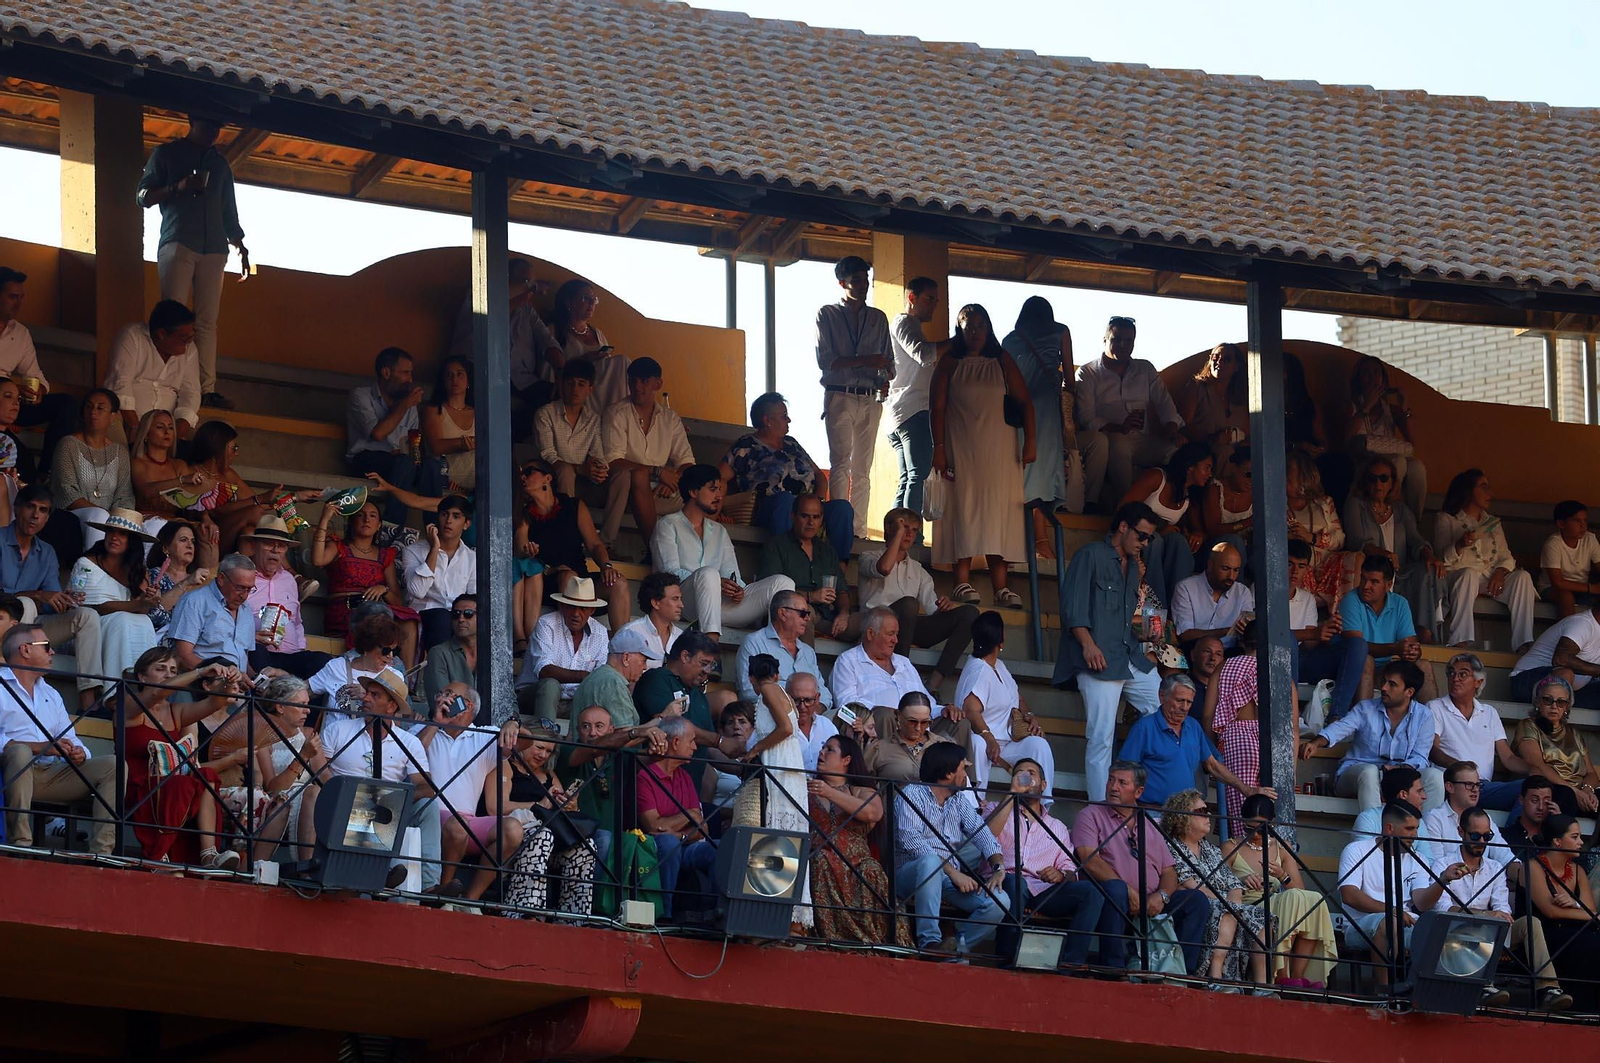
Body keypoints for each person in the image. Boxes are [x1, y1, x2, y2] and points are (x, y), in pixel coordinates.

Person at [137, 114, 248, 409]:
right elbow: (143, 196)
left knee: (207, 323)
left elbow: (229, 210)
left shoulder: (220, 164)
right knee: (172, 318)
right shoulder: (167, 154)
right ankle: (166, 382)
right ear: (192, 120)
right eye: (209, 123)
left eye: (217, 125)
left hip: (214, 247)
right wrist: (180, 186)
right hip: (178, 241)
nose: (214, 130)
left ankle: (205, 388)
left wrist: (239, 244)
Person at [1056, 502, 1163, 803]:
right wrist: (1088, 644)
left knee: (1166, 711)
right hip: (1098, 658)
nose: (1144, 543)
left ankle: (1148, 794)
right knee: (1101, 737)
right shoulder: (1090, 554)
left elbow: (1124, 615)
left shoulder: (1133, 566)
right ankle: (1100, 809)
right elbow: (1072, 608)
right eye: (1142, 536)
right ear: (1124, 527)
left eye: (1149, 539)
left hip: (1129, 655)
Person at [929, 302, 1034, 608]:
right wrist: (939, 449)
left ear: (989, 328)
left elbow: (1025, 401)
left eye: (980, 326)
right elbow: (936, 408)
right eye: (968, 326)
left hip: (1000, 450)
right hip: (960, 447)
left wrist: (1031, 442)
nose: (975, 332)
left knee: (998, 511)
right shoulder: (949, 362)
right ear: (959, 329)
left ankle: (1001, 587)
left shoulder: (1001, 360)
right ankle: (961, 581)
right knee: (965, 507)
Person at [1428, 805, 1574, 1012]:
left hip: (1492, 931)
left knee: (1530, 923)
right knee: (1483, 923)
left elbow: (1502, 907)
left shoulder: (1495, 867)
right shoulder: (1443, 864)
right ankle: (1483, 986)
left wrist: (1496, 916)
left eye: (1487, 837)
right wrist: (1486, 916)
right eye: (1476, 835)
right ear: (1461, 832)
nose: (1481, 842)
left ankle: (1548, 989)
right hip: (1456, 932)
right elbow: (1443, 909)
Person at [319, 668, 447, 894]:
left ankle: (430, 887)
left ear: (392, 707)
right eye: (367, 692)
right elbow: (319, 771)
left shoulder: (409, 741)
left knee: (429, 806)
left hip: (389, 808)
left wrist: (392, 797)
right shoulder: (338, 730)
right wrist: (357, 794)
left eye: (375, 695)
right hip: (343, 801)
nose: (365, 698)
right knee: (370, 802)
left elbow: (426, 787)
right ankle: (378, 875)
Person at [1072, 761, 1209, 973]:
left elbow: (1169, 872)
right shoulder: (1091, 814)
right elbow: (1089, 859)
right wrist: (1129, 891)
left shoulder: (1149, 824)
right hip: (1115, 898)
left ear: (1139, 791)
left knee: (1196, 900)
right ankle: (1114, 969)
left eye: (1121, 782)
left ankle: (1182, 972)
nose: (1113, 787)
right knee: (1115, 889)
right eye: (1111, 780)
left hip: (1151, 902)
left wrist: (1162, 896)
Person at [0, 623, 119, 854]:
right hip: (10, 772)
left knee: (113, 765)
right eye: (46, 646)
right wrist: (40, 747)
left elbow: (70, 738)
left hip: (49, 775)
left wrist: (78, 752)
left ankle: (102, 854)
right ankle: (21, 845)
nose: (52, 652)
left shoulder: (51, 693)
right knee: (21, 753)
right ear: (25, 650)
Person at [118, 649, 242, 868]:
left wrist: (228, 681)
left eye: (173, 670)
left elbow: (215, 703)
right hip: (137, 786)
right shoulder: (129, 704)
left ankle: (208, 854)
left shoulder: (176, 711)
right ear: (142, 677)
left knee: (205, 775)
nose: (169, 675)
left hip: (172, 784)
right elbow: (157, 693)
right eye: (160, 669)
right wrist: (200, 671)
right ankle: (160, 854)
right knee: (181, 783)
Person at [650, 464, 793, 640]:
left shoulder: (719, 531)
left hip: (720, 606)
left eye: (719, 489)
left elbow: (732, 574)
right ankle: (711, 649)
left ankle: (777, 649)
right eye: (712, 489)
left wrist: (737, 589)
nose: (719, 496)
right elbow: (669, 574)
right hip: (683, 603)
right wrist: (715, 582)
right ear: (693, 492)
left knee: (782, 583)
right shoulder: (667, 525)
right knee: (709, 574)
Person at [893, 741, 1009, 954]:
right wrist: (953, 872)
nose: (967, 774)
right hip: (910, 876)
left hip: (947, 880)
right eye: (963, 768)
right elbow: (911, 841)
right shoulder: (912, 793)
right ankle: (929, 942)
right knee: (930, 862)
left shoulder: (958, 800)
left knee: (1000, 901)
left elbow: (982, 833)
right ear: (948, 773)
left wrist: (998, 866)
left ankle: (953, 948)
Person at [987, 758, 1104, 967]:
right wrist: (1012, 793)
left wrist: (1060, 875)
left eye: (1031, 773)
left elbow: (1070, 868)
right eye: (1020, 772)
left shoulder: (1057, 826)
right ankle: (1006, 958)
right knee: (1016, 883)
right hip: (1004, 883)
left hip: (1043, 890)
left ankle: (1071, 964)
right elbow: (986, 838)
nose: (1025, 776)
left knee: (1091, 891)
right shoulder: (997, 808)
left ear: (1043, 784)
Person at [0, 487, 105, 709]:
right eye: (31, 507)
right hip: (3, 623)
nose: (35, 515)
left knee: (86, 616)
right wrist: (37, 595)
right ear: (17, 508)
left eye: (43, 510)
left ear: (47, 518)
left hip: (30, 627)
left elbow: (49, 603)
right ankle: (20, 686)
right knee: (26, 604)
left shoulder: (47, 552)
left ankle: (88, 701)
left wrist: (63, 601)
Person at [1220, 794, 1338, 989]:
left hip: (1277, 903)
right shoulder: (1231, 846)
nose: (1256, 833)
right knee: (1292, 899)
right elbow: (1216, 885)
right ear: (1241, 822)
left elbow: (1300, 891)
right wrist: (1240, 880)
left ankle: (1297, 976)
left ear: (1272, 824)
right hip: (1248, 907)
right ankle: (1281, 973)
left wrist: (1283, 875)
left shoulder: (1282, 848)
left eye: (1262, 828)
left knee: (1314, 899)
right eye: (1250, 827)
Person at [856, 508, 978, 695]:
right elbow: (884, 568)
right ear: (890, 528)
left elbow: (931, 610)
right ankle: (900, 675)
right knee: (909, 604)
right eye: (904, 528)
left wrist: (943, 606)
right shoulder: (869, 557)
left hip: (910, 627)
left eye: (914, 530)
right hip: (878, 627)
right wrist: (897, 536)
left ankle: (934, 683)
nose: (909, 534)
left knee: (970, 614)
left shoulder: (918, 570)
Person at [1159, 789, 1271, 989]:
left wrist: (1234, 900)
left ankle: (1261, 986)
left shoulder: (1211, 849)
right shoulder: (1170, 847)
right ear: (1183, 817)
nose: (1209, 815)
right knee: (1226, 912)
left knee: (1263, 916)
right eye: (1202, 810)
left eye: (1209, 809)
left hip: (1222, 903)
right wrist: (1227, 904)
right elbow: (1189, 883)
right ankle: (1216, 977)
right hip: (1194, 906)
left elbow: (1233, 882)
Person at [1003, 296, 1090, 550]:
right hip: (1046, 408)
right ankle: (1040, 539)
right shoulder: (1060, 331)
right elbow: (1070, 382)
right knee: (1041, 470)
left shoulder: (1010, 338)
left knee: (1022, 468)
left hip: (1017, 409)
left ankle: (1020, 535)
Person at [1299, 659, 1444, 811]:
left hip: (1400, 776)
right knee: (1370, 772)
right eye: (1384, 681)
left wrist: (1399, 770)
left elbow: (1420, 756)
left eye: (1392, 684)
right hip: (1357, 774)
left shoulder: (1424, 715)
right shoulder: (1366, 708)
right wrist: (1316, 743)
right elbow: (1340, 728)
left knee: (1434, 777)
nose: (1384, 687)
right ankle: (1373, 833)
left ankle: (1424, 833)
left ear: (1409, 692)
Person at [816, 255, 892, 540]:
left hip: (871, 397)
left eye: (866, 279)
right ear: (842, 283)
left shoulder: (878, 318)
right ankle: (839, 528)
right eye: (857, 280)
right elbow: (827, 361)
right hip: (840, 395)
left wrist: (883, 378)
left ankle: (858, 531)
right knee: (840, 463)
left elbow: (889, 364)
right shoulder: (827, 314)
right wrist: (866, 360)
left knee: (863, 469)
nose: (864, 285)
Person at [722, 392, 854, 553]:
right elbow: (719, 478)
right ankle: (787, 562)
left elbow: (820, 476)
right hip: (771, 508)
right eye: (784, 416)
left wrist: (817, 501)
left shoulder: (792, 443)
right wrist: (718, 510)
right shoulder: (746, 445)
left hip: (806, 508)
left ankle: (838, 570)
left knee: (842, 508)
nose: (788, 420)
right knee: (785, 500)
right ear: (767, 420)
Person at [808, 733, 907, 944]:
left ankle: (877, 940)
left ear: (846, 760)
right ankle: (830, 938)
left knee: (871, 869)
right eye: (822, 748)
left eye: (829, 749)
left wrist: (830, 793)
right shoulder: (806, 789)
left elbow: (872, 814)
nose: (821, 753)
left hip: (858, 863)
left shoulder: (862, 790)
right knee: (821, 861)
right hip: (819, 857)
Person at [1121, 674, 1275, 810]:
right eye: (1180, 700)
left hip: (1185, 814)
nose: (1184, 708)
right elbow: (1125, 771)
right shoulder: (1144, 728)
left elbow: (1212, 765)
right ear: (1162, 696)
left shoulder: (1193, 726)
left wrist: (1247, 790)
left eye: (1189, 702)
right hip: (1152, 813)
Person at [425, 684, 521, 901]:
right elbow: (412, 752)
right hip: (428, 817)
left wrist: (513, 723)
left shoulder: (484, 735)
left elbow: (526, 742)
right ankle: (442, 892)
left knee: (513, 828)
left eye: (449, 694)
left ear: (466, 705)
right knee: (457, 824)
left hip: (466, 822)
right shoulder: (424, 730)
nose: (441, 697)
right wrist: (435, 723)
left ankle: (470, 898)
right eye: (441, 693)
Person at [495, 721, 601, 918]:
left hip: (551, 843)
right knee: (542, 835)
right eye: (539, 747)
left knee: (587, 846)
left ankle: (574, 917)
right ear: (525, 743)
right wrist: (538, 805)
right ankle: (524, 911)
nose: (543, 755)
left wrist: (570, 806)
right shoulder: (507, 766)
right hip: (514, 836)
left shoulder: (549, 774)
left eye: (549, 751)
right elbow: (496, 806)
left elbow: (558, 807)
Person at [1074, 316, 1183, 508]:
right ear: (1105, 340)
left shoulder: (1145, 369)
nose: (1123, 345)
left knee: (1179, 453)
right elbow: (1086, 417)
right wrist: (1120, 426)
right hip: (1110, 439)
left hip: (1144, 439)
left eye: (1129, 340)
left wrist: (1173, 428)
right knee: (1119, 442)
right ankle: (1126, 507)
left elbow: (1164, 402)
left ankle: (1174, 509)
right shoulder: (1088, 372)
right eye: (1117, 339)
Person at [742, 653, 813, 931]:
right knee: (780, 835)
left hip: (781, 764)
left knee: (778, 835)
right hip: (785, 763)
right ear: (777, 672)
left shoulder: (770, 690)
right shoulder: (778, 689)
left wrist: (756, 749)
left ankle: (783, 914)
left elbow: (784, 729)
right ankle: (781, 912)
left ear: (752, 678)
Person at [516, 458, 628, 632]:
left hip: (580, 578)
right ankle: (571, 643)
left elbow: (595, 545)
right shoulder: (524, 512)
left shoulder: (573, 505)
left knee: (618, 582)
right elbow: (520, 548)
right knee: (568, 577)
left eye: (529, 472)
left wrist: (606, 566)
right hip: (547, 580)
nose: (523, 477)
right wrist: (528, 552)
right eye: (521, 474)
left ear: (548, 478)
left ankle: (623, 647)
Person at [1433, 468, 1536, 653]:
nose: (1490, 493)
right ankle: (1460, 640)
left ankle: (1523, 643)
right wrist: (1460, 543)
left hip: (1490, 580)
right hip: (1459, 578)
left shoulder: (1493, 523)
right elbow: (1442, 559)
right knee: (1469, 574)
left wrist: (1500, 572)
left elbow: (1506, 556)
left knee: (1523, 577)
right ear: (1469, 491)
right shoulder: (1447, 519)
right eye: (1484, 487)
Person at [1343, 456, 1445, 642]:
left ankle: (1425, 634)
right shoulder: (1356, 505)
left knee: (1427, 570)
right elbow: (1355, 541)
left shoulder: (1401, 510)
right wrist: (1383, 554)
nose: (1377, 483)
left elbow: (1415, 540)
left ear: (1392, 483)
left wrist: (1429, 555)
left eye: (1383, 478)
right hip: (1372, 573)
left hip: (1401, 574)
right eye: (1372, 478)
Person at [184, 419, 320, 553]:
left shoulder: (228, 474)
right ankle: (288, 567)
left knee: (248, 533)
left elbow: (261, 503)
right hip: (203, 540)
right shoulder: (191, 472)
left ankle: (262, 571)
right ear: (217, 448)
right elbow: (216, 510)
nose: (236, 453)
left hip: (228, 537)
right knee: (254, 513)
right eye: (234, 448)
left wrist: (297, 497)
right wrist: (260, 499)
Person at [561, 704, 668, 871]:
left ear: (611, 730)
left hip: (615, 837)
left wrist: (657, 749)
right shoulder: (568, 751)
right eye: (585, 726)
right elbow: (595, 749)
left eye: (599, 726)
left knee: (653, 845)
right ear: (577, 729)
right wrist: (634, 733)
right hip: (574, 835)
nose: (592, 733)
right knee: (604, 839)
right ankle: (598, 897)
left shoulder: (618, 756)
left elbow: (648, 759)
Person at [311, 498, 418, 664]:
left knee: (409, 622)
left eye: (372, 515)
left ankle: (406, 681)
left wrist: (384, 589)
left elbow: (397, 600)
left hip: (378, 611)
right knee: (374, 622)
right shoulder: (339, 546)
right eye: (360, 515)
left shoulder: (385, 555)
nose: (366, 519)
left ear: (379, 525)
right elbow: (318, 560)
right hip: (346, 610)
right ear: (351, 521)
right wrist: (325, 519)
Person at [957, 610, 1054, 793]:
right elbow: (971, 711)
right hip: (984, 744)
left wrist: (1030, 716)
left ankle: (1042, 807)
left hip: (1008, 743)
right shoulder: (979, 669)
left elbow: (1018, 698)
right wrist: (989, 737)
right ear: (1000, 641)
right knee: (978, 743)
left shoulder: (999, 666)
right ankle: (978, 805)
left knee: (1038, 744)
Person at [600, 357, 693, 543]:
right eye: (632, 380)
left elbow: (687, 462)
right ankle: (654, 549)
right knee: (637, 476)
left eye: (644, 381)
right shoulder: (616, 412)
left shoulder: (670, 418)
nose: (637, 386)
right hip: (625, 491)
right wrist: (658, 472)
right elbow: (613, 462)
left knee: (702, 495)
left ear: (658, 384)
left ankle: (691, 557)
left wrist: (671, 481)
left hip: (661, 492)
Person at [1336, 800, 1430, 984]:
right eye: (1409, 829)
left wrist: (1443, 880)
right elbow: (1349, 894)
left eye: (1416, 829)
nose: (1415, 835)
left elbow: (1421, 903)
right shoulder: (1357, 850)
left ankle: (1428, 996)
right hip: (1359, 925)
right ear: (1389, 828)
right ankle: (1384, 993)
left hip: (1407, 923)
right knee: (1390, 923)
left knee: (1443, 932)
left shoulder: (1419, 858)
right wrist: (1393, 910)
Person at [1210, 623, 1294, 825]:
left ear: (1242, 642)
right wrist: (1291, 772)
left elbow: (1207, 715)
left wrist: (1212, 755)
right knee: (1274, 811)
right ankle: (1271, 854)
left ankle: (1243, 852)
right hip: (1274, 740)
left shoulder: (1225, 666)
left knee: (1242, 809)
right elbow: (1294, 728)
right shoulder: (1280, 674)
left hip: (1237, 739)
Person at [637, 716, 718, 918]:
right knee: (666, 842)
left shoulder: (685, 777)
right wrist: (688, 815)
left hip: (686, 845)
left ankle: (720, 914)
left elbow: (703, 829)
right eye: (691, 741)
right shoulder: (645, 777)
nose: (694, 747)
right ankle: (665, 915)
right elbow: (654, 827)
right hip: (653, 847)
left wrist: (680, 834)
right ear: (675, 743)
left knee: (721, 847)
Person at [886, 276, 952, 521]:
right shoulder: (906, 322)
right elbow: (923, 354)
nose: (933, 305)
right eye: (928, 299)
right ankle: (910, 538)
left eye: (935, 300)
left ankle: (897, 534)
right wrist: (958, 341)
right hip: (914, 411)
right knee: (918, 475)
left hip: (900, 413)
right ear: (911, 298)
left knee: (908, 478)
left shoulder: (904, 325)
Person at [1428, 653, 1531, 810]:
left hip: (1483, 788)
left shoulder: (1489, 713)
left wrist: (1534, 770)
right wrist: (1461, 767)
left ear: (1478, 682)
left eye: (1463, 674)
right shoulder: (1435, 707)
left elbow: (1508, 757)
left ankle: (1518, 834)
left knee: (1532, 788)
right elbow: (1432, 750)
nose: (1455, 679)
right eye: (1451, 673)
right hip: (1452, 785)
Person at [68, 509, 159, 680]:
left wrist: (148, 599)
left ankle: (144, 684)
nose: (114, 537)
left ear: (132, 541)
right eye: (110, 531)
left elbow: (142, 612)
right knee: (122, 620)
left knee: (144, 621)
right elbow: (94, 607)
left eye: (122, 533)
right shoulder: (86, 563)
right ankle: (114, 692)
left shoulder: (138, 570)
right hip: (85, 631)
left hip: (118, 629)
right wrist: (139, 603)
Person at [236, 515, 329, 679]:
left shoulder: (289, 580)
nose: (275, 550)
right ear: (253, 545)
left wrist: (300, 647)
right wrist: (250, 637)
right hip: (255, 652)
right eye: (268, 544)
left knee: (324, 662)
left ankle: (298, 697)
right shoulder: (241, 576)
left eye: (281, 546)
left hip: (291, 655)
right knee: (257, 653)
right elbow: (224, 620)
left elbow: (297, 622)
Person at [1121, 441, 1212, 608]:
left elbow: (1198, 526)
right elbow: (1124, 510)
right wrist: (1160, 528)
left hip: (1162, 547)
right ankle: (1157, 609)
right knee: (1154, 539)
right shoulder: (1158, 477)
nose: (1210, 474)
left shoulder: (1189, 492)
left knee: (1179, 542)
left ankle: (1180, 607)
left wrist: (1196, 533)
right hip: (1136, 539)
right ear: (1190, 466)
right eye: (1206, 467)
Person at [1288, 540, 1370, 724]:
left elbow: (1310, 644)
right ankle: (1288, 714)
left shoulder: (1307, 599)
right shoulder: (1261, 592)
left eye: (1301, 566)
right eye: (1289, 564)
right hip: (1273, 663)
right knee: (1289, 642)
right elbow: (1263, 636)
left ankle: (1337, 718)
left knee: (1357, 644)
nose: (1295, 571)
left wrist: (1327, 633)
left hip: (1302, 663)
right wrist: (1312, 634)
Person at [0, 266, 76, 464]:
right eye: (12, 297)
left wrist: (38, 390)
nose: (18, 304)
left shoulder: (21, 332)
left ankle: (49, 470)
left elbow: (36, 375)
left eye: (21, 297)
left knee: (65, 403)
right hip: (3, 397)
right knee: (22, 459)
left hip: (10, 402)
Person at [346, 347, 429, 526]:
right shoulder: (361, 395)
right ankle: (392, 529)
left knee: (432, 467)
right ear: (386, 372)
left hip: (400, 462)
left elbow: (412, 442)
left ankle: (436, 530)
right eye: (405, 373)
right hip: (366, 460)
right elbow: (378, 433)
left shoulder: (410, 405)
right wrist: (405, 405)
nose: (410, 380)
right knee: (404, 463)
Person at [831, 607, 948, 734]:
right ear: (870, 634)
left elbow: (927, 702)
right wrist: (883, 711)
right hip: (880, 729)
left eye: (896, 634)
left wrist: (943, 710)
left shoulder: (904, 663)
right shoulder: (848, 661)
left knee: (956, 721)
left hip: (919, 728)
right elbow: (846, 705)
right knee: (884, 715)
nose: (895, 640)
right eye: (890, 634)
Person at [51, 388, 134, 556]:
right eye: (89, 407)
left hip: (109, 517)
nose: (93, 412)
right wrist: (105, 515)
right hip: (73, 516)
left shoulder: (120, 452)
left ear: (112, 417)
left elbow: (125, 495)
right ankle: (92, 571)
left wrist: (115, 518)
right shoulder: (68, 444)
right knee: (97, 515)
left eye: (100, 408)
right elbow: (67, 491)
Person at [1529, 814, 1600, 1011]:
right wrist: (1587, 913)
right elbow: (1550, 911)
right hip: (1546, 935)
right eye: (1575, 837)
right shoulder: (1534, 867)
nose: (1580, 842)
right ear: (1557, 841)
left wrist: (1575, 905)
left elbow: (1590, 911)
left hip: (1577, 933)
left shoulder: (1578, 871)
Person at [756, 493, 849, 642]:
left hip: (828, 617)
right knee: (804, 613)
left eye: (816, 517)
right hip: (794, 614)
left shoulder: (827, 550)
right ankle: (804, 666)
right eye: (805, 516)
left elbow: (842, 590)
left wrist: (844, 613)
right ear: (793, 516)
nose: (811, 522)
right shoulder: (776, 546)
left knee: (873, 622)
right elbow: (771, 592)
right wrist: (810, 597)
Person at [104, 300, 202, 439]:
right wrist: (138, 431)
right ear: (161, 334)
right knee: (112, 426)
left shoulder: (190, 350)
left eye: (192, 336)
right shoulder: (132, 336)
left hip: (168, 427)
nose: (189, 342)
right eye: (184, 338)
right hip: (128, 419)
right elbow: (120, 384)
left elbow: (191, 393)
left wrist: (175, 433)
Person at [1344, 355, 1425, 518]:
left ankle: (1414, 519)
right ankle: (1387, 514)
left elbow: (1412, 442)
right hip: (1363, 464)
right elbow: (1345, 440)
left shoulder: (1390, 409)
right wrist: (1366, 406)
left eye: (1376, 373)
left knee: (1417, 467)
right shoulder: (1350, 406)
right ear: (1358, 378)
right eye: (1366, 373)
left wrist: (1405, 407)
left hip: (1389, 462)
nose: (1372, 378)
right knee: (1399, 461)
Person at [517, 576, 610, 718]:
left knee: (603, 691)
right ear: (563, 606)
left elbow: (600, 677)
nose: (576, 614)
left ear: (592, 611)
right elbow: (544, 671)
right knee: (550, 685)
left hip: (574, 701)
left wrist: (591, 680)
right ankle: (544, 736)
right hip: (534, 697)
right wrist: (584, 676)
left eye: (583, 609)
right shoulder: (546, 624)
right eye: (571, 607)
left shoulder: (600, 633)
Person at [1511, 675, 1600, 816]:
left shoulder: (1574, 733)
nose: (1554, 706)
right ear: (1537, 702)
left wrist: (1588, 790)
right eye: (1548, 700)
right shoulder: (1528, 725)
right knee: (1565, 795)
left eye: (1561, 702)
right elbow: (1538, 765)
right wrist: (1574, 791)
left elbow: (1590, 773)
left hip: (1579, 792)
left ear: (1567, 706)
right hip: (1553, 790)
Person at [733, 589, 832, 712]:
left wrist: (815, 709)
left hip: (810, 716)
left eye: (808, 614)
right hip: (772, 714)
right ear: (782, 614)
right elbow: (748, 692)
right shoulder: (754, 642)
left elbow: (824, 693)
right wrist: (793, 704)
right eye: (803, 613)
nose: (807, 618)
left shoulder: (808, 651)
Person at [1338, 555, 1428, 690]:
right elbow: (1356, 648)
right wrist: (1395, 648)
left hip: (1386, 669)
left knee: (1423, 666)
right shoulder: (1351, 600)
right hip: (1354, 668)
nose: (1366, 586)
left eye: (1374, 581)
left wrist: (1413, 652)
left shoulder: (1400, 603)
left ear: (1389, 585)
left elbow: (1410, 644)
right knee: (1366, 661)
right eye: (1363, 579)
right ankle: (1364, 712)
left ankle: (1431, 712)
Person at [401, 495, 477, 651]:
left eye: (456, 516)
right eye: (444, 514)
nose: (448, 521)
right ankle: (437, 672)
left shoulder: (473, 558)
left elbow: (473, 597)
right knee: (443, 618)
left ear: (466, 524)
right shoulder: (413, 551)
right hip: (424, 614)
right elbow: (417, 591)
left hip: (458, 616)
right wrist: (434, 549)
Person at [534, 357, 608, 503]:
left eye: (581, 384)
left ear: (590, 389)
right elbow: (549, 455)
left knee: (619, 477)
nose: (575, 389)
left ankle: (609, 526)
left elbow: (597, 453)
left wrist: (598, 467)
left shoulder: (593, 419)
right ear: (562, 384)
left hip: (584, 477)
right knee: (565, 470)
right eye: (570, 383)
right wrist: (578, 468)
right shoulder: (545, 414)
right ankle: (566, 520)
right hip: (551, 474)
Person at [167, 552, 257, 674]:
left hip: (236, 686)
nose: (244, 595)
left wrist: (258, 680)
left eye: (250, 589)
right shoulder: (195, 601)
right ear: (221, 579)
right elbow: (183, 657)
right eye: (240, 588)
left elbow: (243, 660)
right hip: (203, 684)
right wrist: (222, 675)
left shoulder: (246, 609)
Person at [1285, 449, 1353, 608]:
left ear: (1305, 476)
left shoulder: (1324, 503)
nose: (1284, 473)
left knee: (1354, 558)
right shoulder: (1275, 504)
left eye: (1290, 469)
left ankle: (1346, 615)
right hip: (1297, 569)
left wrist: (1311, 537)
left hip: (1325, 569)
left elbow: (1340, 539)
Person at [308, 612, 408, 717]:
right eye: (386, 650)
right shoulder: (337, 667)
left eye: (395, 651)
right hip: (335, 733)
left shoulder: (394, 676)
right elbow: (303, 692)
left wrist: (367, 694)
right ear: (368, 646)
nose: (390, 656)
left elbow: (395, 722)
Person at [1509, 599, 1600, 708]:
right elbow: (1561, 659)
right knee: (1565, 673)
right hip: (1526, 682)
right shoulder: (1583, 623)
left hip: (1570, 692)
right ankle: (1555, 724)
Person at [551, 279, 624, 413]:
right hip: (576, 389)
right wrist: (583, 360)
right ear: (569, 302)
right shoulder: (554, 331)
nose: (591, 303)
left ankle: (618, 415)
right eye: (585, 298)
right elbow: (548, 372)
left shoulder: (598, 334)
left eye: (594, 299)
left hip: (601, 388)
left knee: (622, 362)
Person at [128, 409, 212, 525]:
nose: (167, 432)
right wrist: (181, 480)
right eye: (160, 427)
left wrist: (206, 518)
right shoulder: (137, 463)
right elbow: (147, 491)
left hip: (174, 525)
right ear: (146, 434)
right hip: (145, 523)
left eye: (171, 428)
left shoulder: (179, 465)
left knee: (208, 534)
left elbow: (192, 500)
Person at [1421, 763, 1514, 866]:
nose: (1475, 789)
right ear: (1450, 787)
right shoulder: (1434, 818)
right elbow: (1436, 866)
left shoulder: (1484, 818)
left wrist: (1519, 871)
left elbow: (1505, 856)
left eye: (1478, 785)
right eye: (1469, 784)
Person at [1348, 765, 1440, 865]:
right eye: (1419, 791)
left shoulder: (1419, 821)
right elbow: (1364, 859)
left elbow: (1428, 863)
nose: (1424, 797)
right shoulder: (1368, 819)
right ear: (1403, 795)